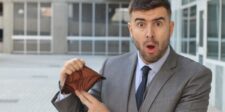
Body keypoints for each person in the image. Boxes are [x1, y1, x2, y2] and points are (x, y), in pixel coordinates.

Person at [52, 0, 212, 112]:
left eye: (158, 23)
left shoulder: (195, 76)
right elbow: (86, 109)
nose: (150, 34)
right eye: (141, 24)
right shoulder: (111, 66)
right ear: (131, 30)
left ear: (170, 28)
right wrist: (67, 87)